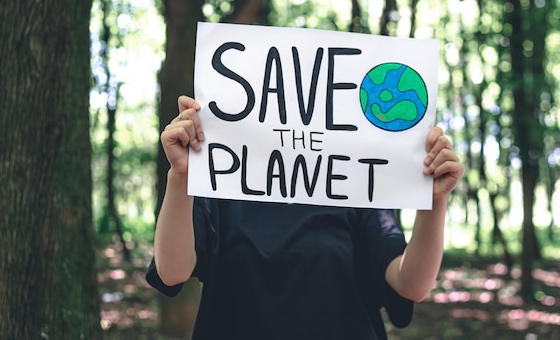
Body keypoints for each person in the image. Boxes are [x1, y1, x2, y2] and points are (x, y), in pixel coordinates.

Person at [147, 95, 464, 340]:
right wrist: (181, 175)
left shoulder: (356, 186)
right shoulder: (222, 183)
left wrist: (434, 201)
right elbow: (172, 271)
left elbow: (412, 285)